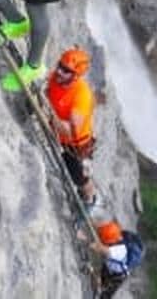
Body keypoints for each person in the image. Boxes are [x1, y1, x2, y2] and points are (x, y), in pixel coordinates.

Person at [46, 47, 98, 209]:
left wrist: (48, 113)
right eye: (60, 66)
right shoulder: (55, 77)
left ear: (76, 76)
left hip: (76, 145)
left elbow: (70, 129)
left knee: (78, 176)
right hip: (57, 133)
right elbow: (49, 90)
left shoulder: (82, 95)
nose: (60, 72)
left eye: (66, 70)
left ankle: (90, 199)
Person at [80, 221, 131, 299]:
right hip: (108, 266)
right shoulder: (113, 235)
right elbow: (98, 228)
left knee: (104, 296)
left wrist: (84, 238)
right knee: (97, 281)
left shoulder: (118, 250)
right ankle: (94, 284)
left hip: (117, 275)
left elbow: (99, 248)